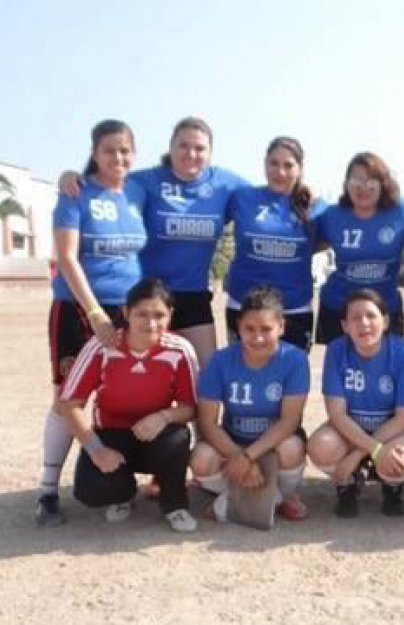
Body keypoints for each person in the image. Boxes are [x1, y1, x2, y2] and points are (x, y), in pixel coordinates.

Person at [60, 116, 248, 368]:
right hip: (147, 296)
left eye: (199, 148)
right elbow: (102, 183)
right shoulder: (145, 181)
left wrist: (299, 195)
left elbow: (264, 200)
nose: (191, 154)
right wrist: (72, 177)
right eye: (183, 145)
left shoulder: (226, 184)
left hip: (193, 297)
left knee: (206, 374)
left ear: (210, 152)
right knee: (142, 374)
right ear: (171, 147)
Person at [36, 119, 148, 528]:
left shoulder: (138, 192)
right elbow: (67, 257)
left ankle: (124, 477)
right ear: (94, 153)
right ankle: (48, 491)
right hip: (78, 308)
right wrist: (95, 312)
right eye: (109, 150)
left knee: (130, 391)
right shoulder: (75, 193)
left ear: (134, 153)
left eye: (125, 150)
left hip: (130, 309)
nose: (118, 157)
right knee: (67, 397)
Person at [58, 278, 199, 532]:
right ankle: (123, 494)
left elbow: (190, 407)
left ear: (170, 315)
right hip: (112, 436)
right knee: (90, 491)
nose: (151, 323)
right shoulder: (101, 346)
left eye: (159, 315)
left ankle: (175, 504)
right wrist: (97, 450)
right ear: (126, 313)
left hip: (155, 436)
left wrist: (164, 417)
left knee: (177, 437)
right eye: (142, 314)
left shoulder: (180, 350)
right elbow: (70, 404)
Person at [190, 286, 312, 524]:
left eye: (266, 329)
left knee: (292, 448)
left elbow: (289, 421)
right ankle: (246, 494)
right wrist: (238, 455)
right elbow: (207, 422)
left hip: (274, 444)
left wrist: (248, 457)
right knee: (201, 458)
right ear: (238, 326)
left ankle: (279, 496)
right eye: (249, 329)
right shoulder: (220, 360)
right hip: (234, 442)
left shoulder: (295, 359)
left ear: (281, 327)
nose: (257, 338)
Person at [307, 289, 404, 517]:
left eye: (371, 316)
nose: (364, 323)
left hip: (393, 433)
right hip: (351, 431)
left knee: (402, 454)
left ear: (385, 321)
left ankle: (392, 486)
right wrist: (373, 450)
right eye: (355, 317)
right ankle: (349, 484)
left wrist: (359, 455)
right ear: (344, 325)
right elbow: (337, 414)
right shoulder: (336, 350)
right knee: (320, 445)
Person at [314, 152, 404, 345]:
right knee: (340, 361)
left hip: (385, 308)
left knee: (389, 362)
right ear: (346, 184)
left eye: (371, 182)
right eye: (356, 181)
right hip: (338, 306)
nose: (363, 188)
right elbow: (302, 241)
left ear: (383, 183)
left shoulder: (403, 211)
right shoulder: (331, 215)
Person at [224, 136, 322, 350]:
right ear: (264, 163)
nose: (280, 172)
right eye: (274, 163)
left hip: (295, 309)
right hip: (244, 307)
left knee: (291, 371)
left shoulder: (315, 206)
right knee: (241, 371)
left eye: (288, 165)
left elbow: (331, 238)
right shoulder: (242, 197)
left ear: (300, 168)